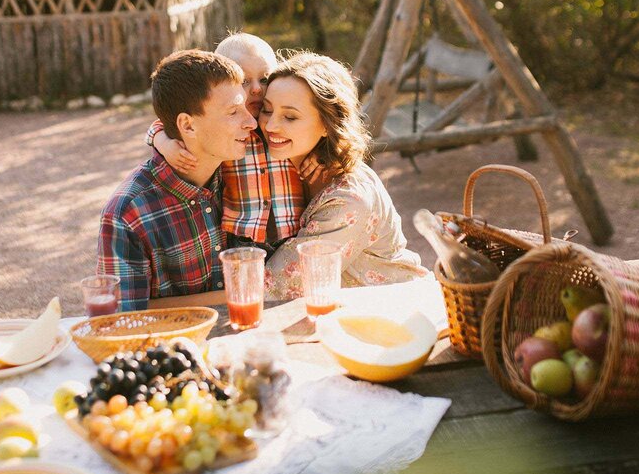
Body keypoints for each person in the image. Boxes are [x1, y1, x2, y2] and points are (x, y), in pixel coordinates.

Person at [258, 52, 428, 300]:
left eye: (290, 117)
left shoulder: (349, 200)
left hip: (393, 313)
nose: (270, 126)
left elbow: (274, 287)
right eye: (266, 110)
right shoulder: (285, 159)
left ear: (328, 123)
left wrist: (180, 304)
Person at [97, 50, 257, 311]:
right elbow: (121, 321)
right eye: (233, 112)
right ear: (188, 125)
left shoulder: (244, 173)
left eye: (246, 108)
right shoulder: (127, 214)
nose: (251, 122)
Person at [145, 32, 315, 253]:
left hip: (293, 229)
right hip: (242, 236)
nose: (256, 88)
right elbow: (164, 122)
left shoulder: (277, 125)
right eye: (244, 81)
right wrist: (164, 143)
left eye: (264, 79)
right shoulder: (227, 132)